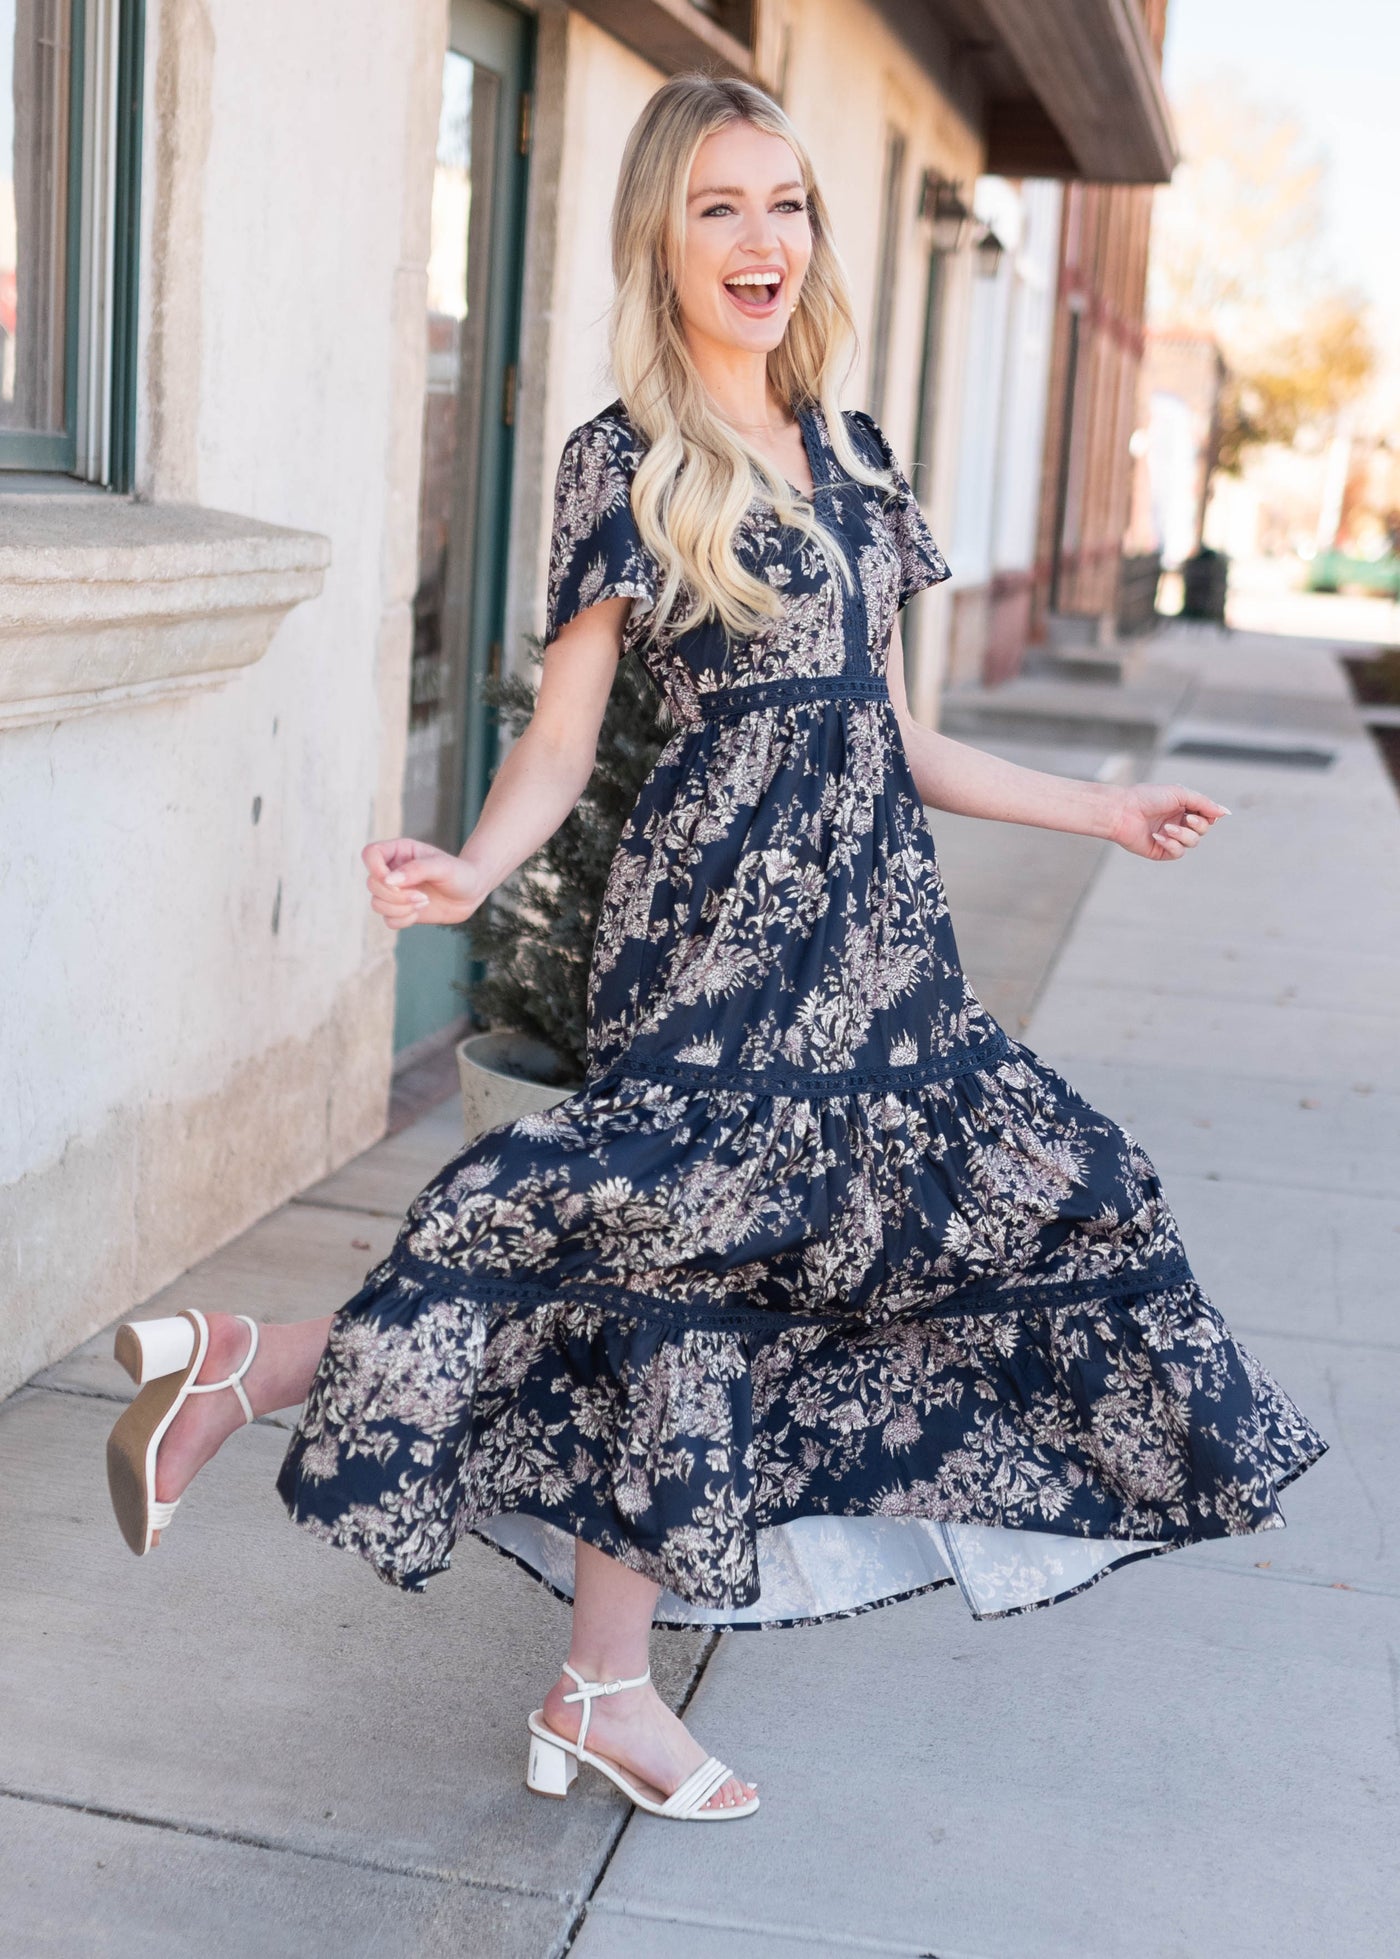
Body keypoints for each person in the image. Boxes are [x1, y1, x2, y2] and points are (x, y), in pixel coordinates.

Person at [105, 74, 1327, 1824]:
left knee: (935, 1230)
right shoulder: (626, 460)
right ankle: (452, 1547)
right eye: (719, 211)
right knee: (667, 1263)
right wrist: (466, 870)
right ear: (662, 245)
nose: (764, 243)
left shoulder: (856, 456)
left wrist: (1100, 807)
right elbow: (561, 740)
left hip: (879, 950)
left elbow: (894, 735)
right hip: (715, 937)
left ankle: (517, 1605)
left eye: (788, 205)